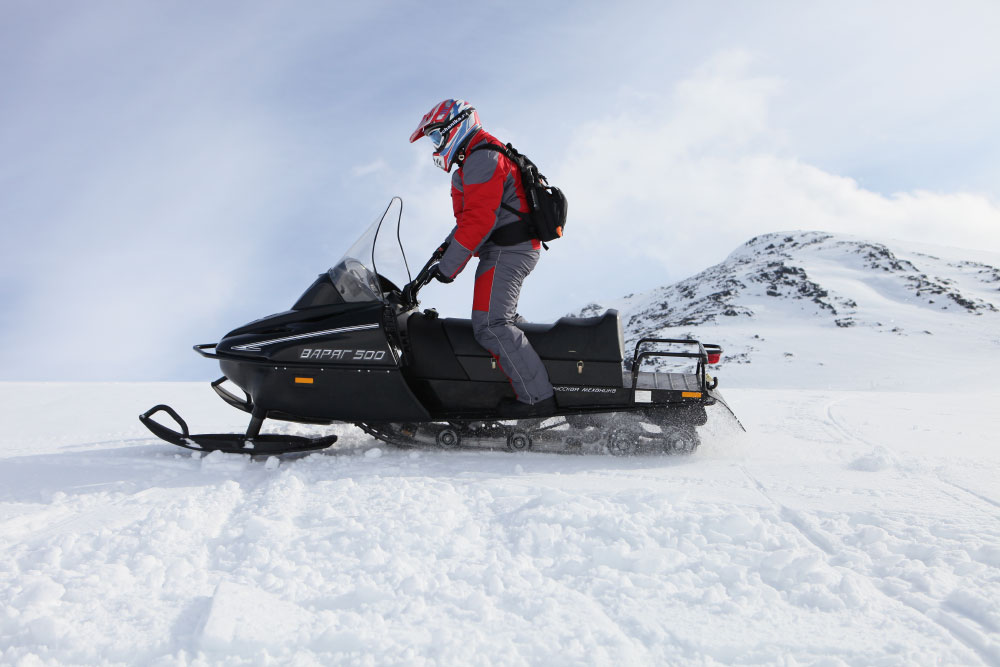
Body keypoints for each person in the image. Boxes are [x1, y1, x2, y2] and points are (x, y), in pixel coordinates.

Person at [409, 99, 555, 417]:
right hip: (509, 248)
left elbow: (479, 222)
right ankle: (553, 378)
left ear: (455, 127)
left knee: (490, 324)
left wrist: (448, 269)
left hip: (509, 250)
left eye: (436, 137)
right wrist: (440, 255)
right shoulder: (479, 156)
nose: (435, 146)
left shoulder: (483, 158)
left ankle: (537, 400)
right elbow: (469, 222)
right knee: (504, 320)